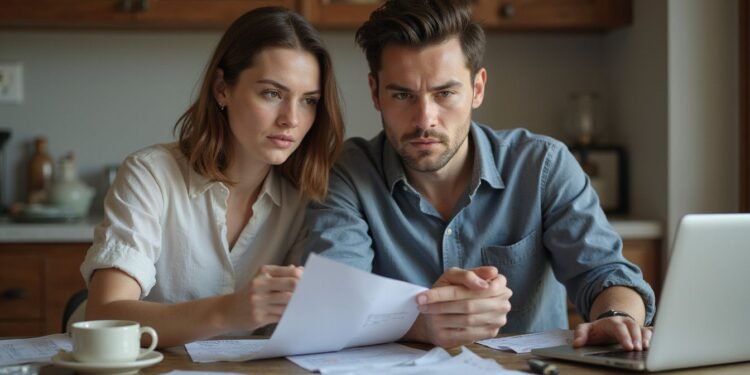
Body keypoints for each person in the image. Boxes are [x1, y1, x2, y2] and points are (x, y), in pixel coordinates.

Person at [304, 0, 655, 351]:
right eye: (402, 95)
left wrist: (618, 317)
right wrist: (423, 323)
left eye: (445, 93)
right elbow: (337, 301)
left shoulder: (542, 166)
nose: (425, 119)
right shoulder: (347, 174)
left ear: (478, 88)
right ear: (375, 93)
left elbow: (605, 272)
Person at [81, 7, 343, 348]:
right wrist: (230, 311)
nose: (291, 119)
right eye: (272, 94)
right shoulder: (152, 174)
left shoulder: (305, 197)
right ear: (222, 89)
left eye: (308, 101)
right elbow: (104, 316)